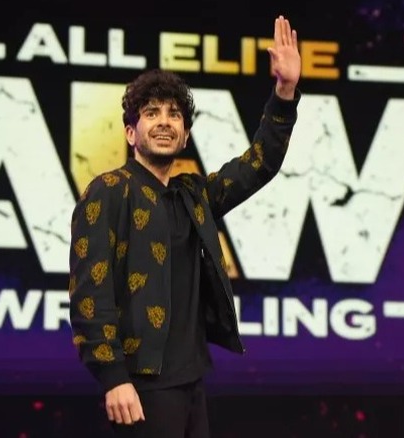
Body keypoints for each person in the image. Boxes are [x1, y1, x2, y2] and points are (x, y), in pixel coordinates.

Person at [69, 15, 301, 438]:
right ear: (130, 131)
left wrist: (284, 92)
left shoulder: (193, 196)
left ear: (185, 135)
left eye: (174, 115)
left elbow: (258, 165)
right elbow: (90, 294)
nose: (164, 121)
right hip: (141, 384)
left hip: (191, 381)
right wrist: (113, 377)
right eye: (151, 113)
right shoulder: (107, 191)